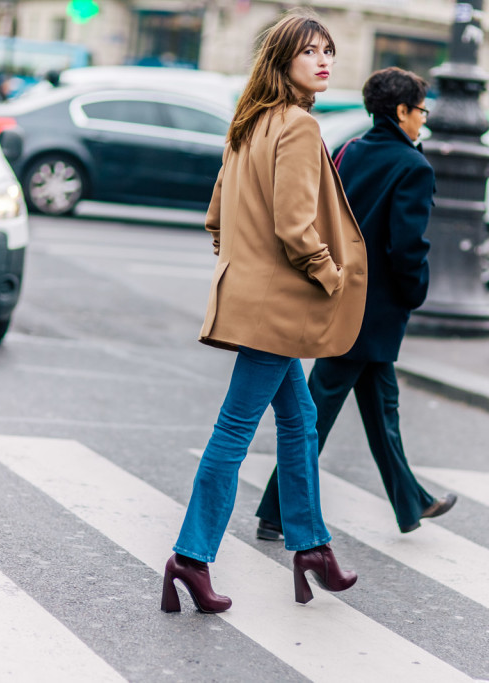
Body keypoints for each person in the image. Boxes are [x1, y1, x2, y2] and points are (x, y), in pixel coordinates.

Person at [161, 11, 368, 615]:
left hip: (250, 295)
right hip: (279, 306)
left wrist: (244, 263)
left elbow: (216, 216)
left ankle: (312, 548)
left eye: (328, 49)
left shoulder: (248, 123)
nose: (324, 60)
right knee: (234, 430)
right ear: (284, 63)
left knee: (300, 422)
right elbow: (295, 226)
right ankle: (190, 556)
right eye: (309, 52)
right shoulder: (299, 127)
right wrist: (330, 275)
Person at [254, 67, 457, 540]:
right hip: (377, 308)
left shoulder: (351, 150)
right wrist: (415, 291)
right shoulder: (412, 167)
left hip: (343, 297)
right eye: (420, 111)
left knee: (381, 404)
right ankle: (274, 510)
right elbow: (406, 247)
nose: (422, 121)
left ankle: (411, 502)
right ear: (401, 111)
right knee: (318, 411)